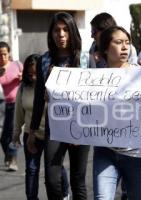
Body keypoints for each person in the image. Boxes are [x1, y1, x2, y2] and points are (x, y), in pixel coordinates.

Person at [30, 12, 90, 200]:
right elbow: (39, 99)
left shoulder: (87, 60)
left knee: (78, 181)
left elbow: (95, 97)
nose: (61, 34)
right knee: (52, 179)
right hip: (54, 127)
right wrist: (32, 132)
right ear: (51, 34)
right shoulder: (44, 61)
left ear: (72, 32)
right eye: (57, 30)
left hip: (81, 125)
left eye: (65, 30)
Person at [93, 26, 141, 200]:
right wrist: (56, 97)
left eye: (127, 42)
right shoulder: (93, 79)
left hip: (137, 154)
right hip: (105, 151)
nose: (125, 47)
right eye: (118, 42)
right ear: (105, 48)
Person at [11, 54, 69, 200]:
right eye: (30, 74)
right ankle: (31, 197)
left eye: (36, 74)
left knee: (55, 169)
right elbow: (19, 111)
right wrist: (16, 133)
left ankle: (64, 193)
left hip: (52, 135)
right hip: (32, 135)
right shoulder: (23, 88)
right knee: (31, 169)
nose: (34, 77)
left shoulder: (53, 87)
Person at [0, 41, 23, 171]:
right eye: (0, 55)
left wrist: (22, 77)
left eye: (4, 54)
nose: (2, 58)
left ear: (9, 54)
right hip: (3, 104)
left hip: (16, 103)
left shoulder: (17, 65)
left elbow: (30, 76)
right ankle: (8, 156)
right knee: (3, 138)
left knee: (12, 132)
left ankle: (13, 159)